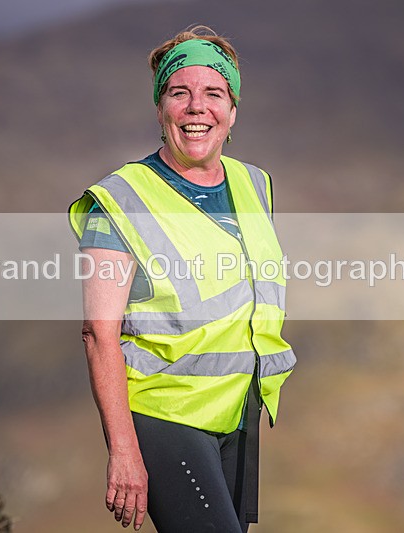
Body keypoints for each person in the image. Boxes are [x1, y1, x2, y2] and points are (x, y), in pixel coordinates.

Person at [68, 25, 296, 532]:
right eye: (180, 93)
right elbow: (98, 333)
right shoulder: (120, 200)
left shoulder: (255, 184)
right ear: (160, 108)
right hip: (165, 416)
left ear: (232, 111)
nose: (197, 107)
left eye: (213, 93)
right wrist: (124, 450)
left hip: (237, 414)